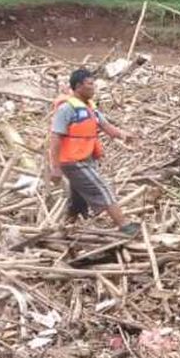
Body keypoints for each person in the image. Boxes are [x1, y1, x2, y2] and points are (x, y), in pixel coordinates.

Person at [49, 67, 141, 236]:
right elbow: (55, 138)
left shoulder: (90, 108)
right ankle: (124, 225)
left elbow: (106, 126)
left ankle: (66, 226)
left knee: (78, 196)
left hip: (86, 158)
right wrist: (55, 167)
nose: (93, 88)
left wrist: (123, 135)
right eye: (90, 85)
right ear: (78, 86)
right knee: (102, 188)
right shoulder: (66, 109)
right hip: (73, 161)